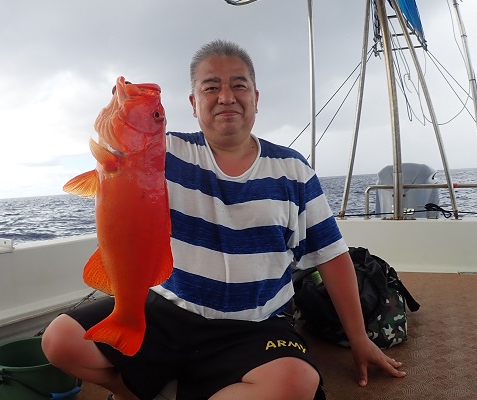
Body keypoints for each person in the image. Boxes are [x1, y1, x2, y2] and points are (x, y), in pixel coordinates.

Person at [41, 39, 406, 400]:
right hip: (169, 310)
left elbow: (331, 255)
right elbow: (121, 150)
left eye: (239, 86)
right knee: (60, 340)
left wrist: (359, 338)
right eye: (211, 87)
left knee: (296, 383)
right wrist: (120, 106)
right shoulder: (161, 152)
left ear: (256, 98)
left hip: (256, 324)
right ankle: (136, 392)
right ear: (193, 103)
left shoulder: (293, 170)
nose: (226, 97)